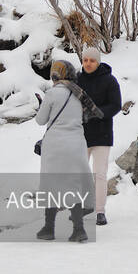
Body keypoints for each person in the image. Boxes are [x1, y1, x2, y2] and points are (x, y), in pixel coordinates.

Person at [35, 60, 102, 242]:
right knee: (74, 185)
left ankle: (49, 229)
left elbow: (41, 120)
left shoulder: (52, 93)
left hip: (55, 145)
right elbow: (87, 116)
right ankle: (79, 230)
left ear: (55, 74)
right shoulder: (79, 93)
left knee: (51, 185)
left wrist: (40, 106)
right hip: (76, 144)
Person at [76, 47, 122, 226]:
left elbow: (116, 105)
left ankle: (100, 211)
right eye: (85, 60)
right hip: (80, 134)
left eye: (92, 60)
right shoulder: (76, 80)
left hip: (102, 134)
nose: (88, 63)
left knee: (100, 174)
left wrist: (97, 113)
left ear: (98, 62)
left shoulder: (109, 80)